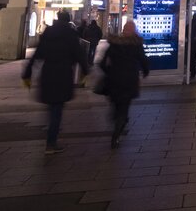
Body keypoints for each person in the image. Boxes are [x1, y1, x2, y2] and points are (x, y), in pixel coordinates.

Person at [22, 10, 90, 155]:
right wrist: (85, 70)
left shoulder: (48, 33)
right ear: (69, 20)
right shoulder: (71, 34)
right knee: (57, 108)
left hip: (48, 72)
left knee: (52, 106)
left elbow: (38, 54)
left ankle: (51, 133)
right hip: (63, 73)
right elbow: (79, 54)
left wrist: (28, 71)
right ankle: (51, 142)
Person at [98, 20, 149, 149]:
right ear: (133, 31)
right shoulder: (136, 44)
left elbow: (102, 62)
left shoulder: (115, 43)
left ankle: (115, 117)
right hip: (129, 80)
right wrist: (145, 71)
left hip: (114, 79)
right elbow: (143, 60)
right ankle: (116, 134)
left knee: (116, 103)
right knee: (124, 108)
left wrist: (109, 72)